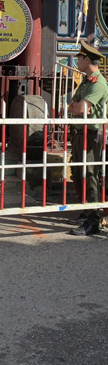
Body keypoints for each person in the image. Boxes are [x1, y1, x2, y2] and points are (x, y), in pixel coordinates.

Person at [67, 42, 108, 236]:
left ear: (86, 59)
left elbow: (80, 108)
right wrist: (75, 106)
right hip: (79, 132)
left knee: (90, 174)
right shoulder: (86, 81)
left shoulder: (98, 83)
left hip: (92, 135)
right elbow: (74, 106)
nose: (76, 61)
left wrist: (75, 106)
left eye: (78, 58)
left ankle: (94, 220)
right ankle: (87, 208)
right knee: (78, 171)